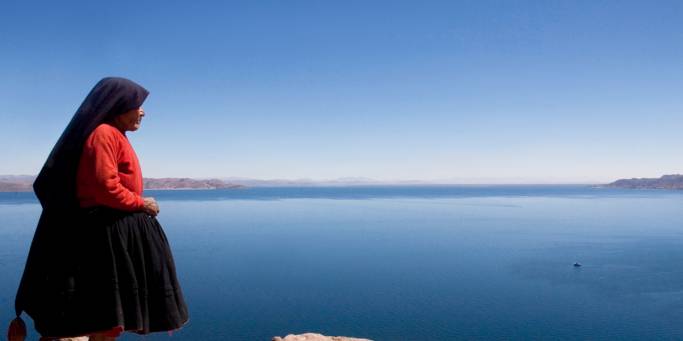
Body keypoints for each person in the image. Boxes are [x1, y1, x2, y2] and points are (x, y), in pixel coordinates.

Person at [8, 77, 189, 341]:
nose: (143, 111)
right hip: (107, 238)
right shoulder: (104, 134)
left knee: (109, 319)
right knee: (104, 317)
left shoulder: (116, 135)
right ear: (120, 104)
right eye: (138, 105)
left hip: (115, 235)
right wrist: (142, 203)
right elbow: (104, 188)